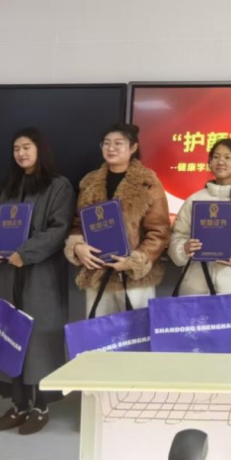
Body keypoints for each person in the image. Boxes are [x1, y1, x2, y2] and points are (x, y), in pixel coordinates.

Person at [0, 128, 75, 435]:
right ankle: (18, 405)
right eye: (16, 148)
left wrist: (25, 253)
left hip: (39, 277)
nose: (21, 153)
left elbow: (59, 230)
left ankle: (41, 407)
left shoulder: (59, 186)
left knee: (39, 342)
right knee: (10, 337)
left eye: (27, 147)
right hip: (6, 275)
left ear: (40, 150)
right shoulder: (10, 188)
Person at [168, 138, 231, 354]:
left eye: (227, 157)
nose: (220, 162)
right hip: (196, 291)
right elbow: (176, 237)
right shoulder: (194, 200)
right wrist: (184, 248)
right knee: (197, 356)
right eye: (215, 157)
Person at [65, 123, 170, 316]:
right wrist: (77, 246)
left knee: (136, 332)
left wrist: (135, 261)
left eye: (118, 143)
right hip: (97, 272)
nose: (111, 148)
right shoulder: (89, 182)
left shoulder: (148, 182)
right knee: (98, 332)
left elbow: (159, 231)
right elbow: (78, 224)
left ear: (133, 148)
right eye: (106, 143)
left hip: (134, 279)